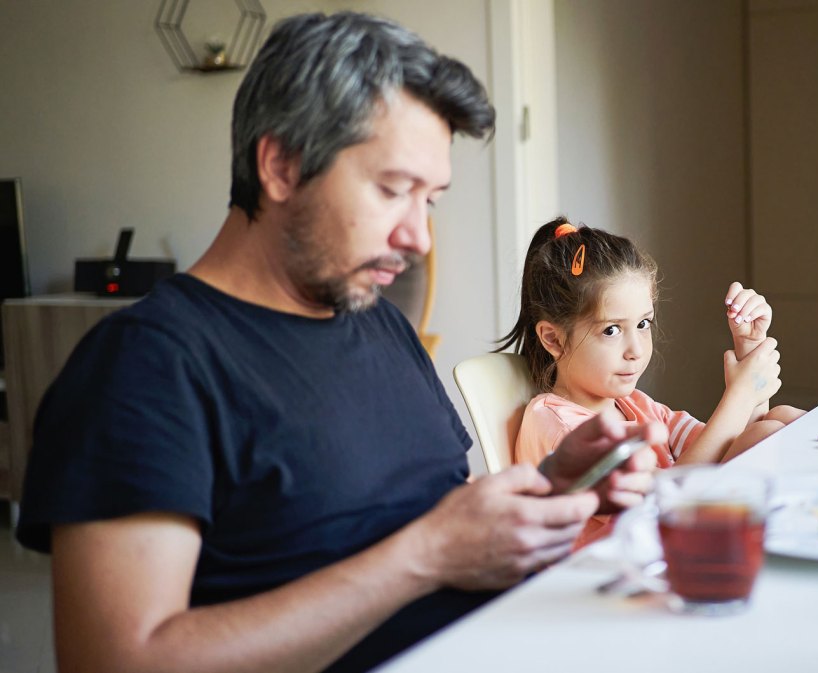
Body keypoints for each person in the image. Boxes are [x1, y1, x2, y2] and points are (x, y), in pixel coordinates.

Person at [15, 13, 661, 673]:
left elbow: (434, 513)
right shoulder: (145, 367)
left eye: (430, 200)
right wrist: (423, 556)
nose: (419, 238)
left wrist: (550, 492)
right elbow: (117, 661)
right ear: (280, 166)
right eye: (393, 190)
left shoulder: (378, 323)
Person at [498, 217, 805, 545]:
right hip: (615, 564)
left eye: (644, 324)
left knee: (780, 419)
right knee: (769, 431)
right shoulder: (558, 427)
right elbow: (662, 509)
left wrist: (749, 351)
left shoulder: (636, 406)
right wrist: (740, 396)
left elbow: (733, 447)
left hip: (668, 547)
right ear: (554, 339)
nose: (636, 350)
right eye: (612, 330)